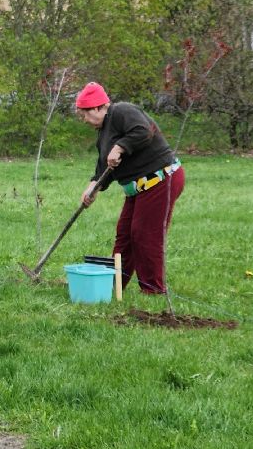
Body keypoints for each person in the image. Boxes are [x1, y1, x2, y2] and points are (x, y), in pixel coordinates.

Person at [76, 82, 184, 295]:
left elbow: (143, 131)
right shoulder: (103, 133)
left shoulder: (122, 111)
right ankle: (114, 286)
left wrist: (120, 146)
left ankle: (153, 289)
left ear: (98, 107)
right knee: (125, 234)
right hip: (137, 189)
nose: (85, 120)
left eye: (85, 114)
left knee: (144, 234)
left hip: (160, 179)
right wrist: (92, 188)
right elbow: (103, 167)